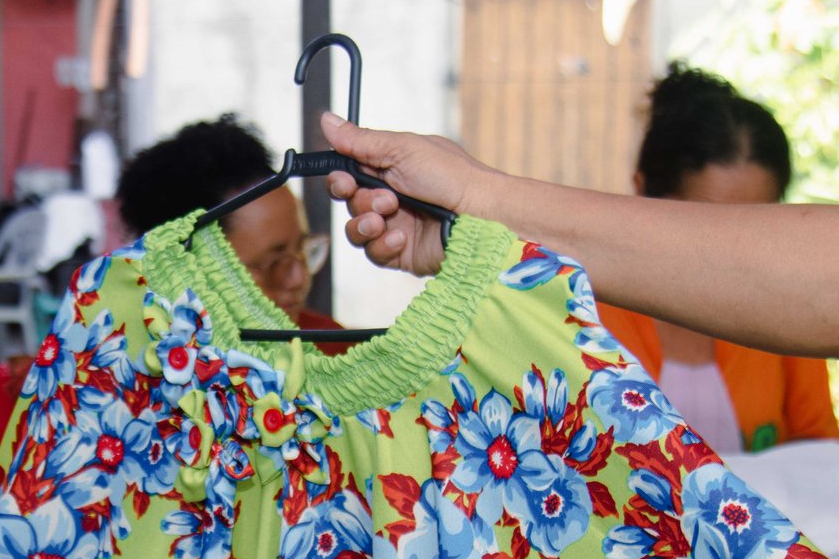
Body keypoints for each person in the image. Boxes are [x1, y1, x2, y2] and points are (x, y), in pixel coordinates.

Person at [316, 112, 839, 357]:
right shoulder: (575, 310)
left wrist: (483, 199)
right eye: (709, 216)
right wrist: (479, 201)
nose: (732, 227)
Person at [597, 64, 836, 452]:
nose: (734, 252)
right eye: (709, 226)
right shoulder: (584, 310)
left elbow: (819, 447)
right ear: (643, 194)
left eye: (758, 227)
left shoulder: (785, 311)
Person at [115, 114, 343, 348]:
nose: (299, 279)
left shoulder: (330, 347)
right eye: (274, 264)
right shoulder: (125, 361)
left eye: (304, 250)